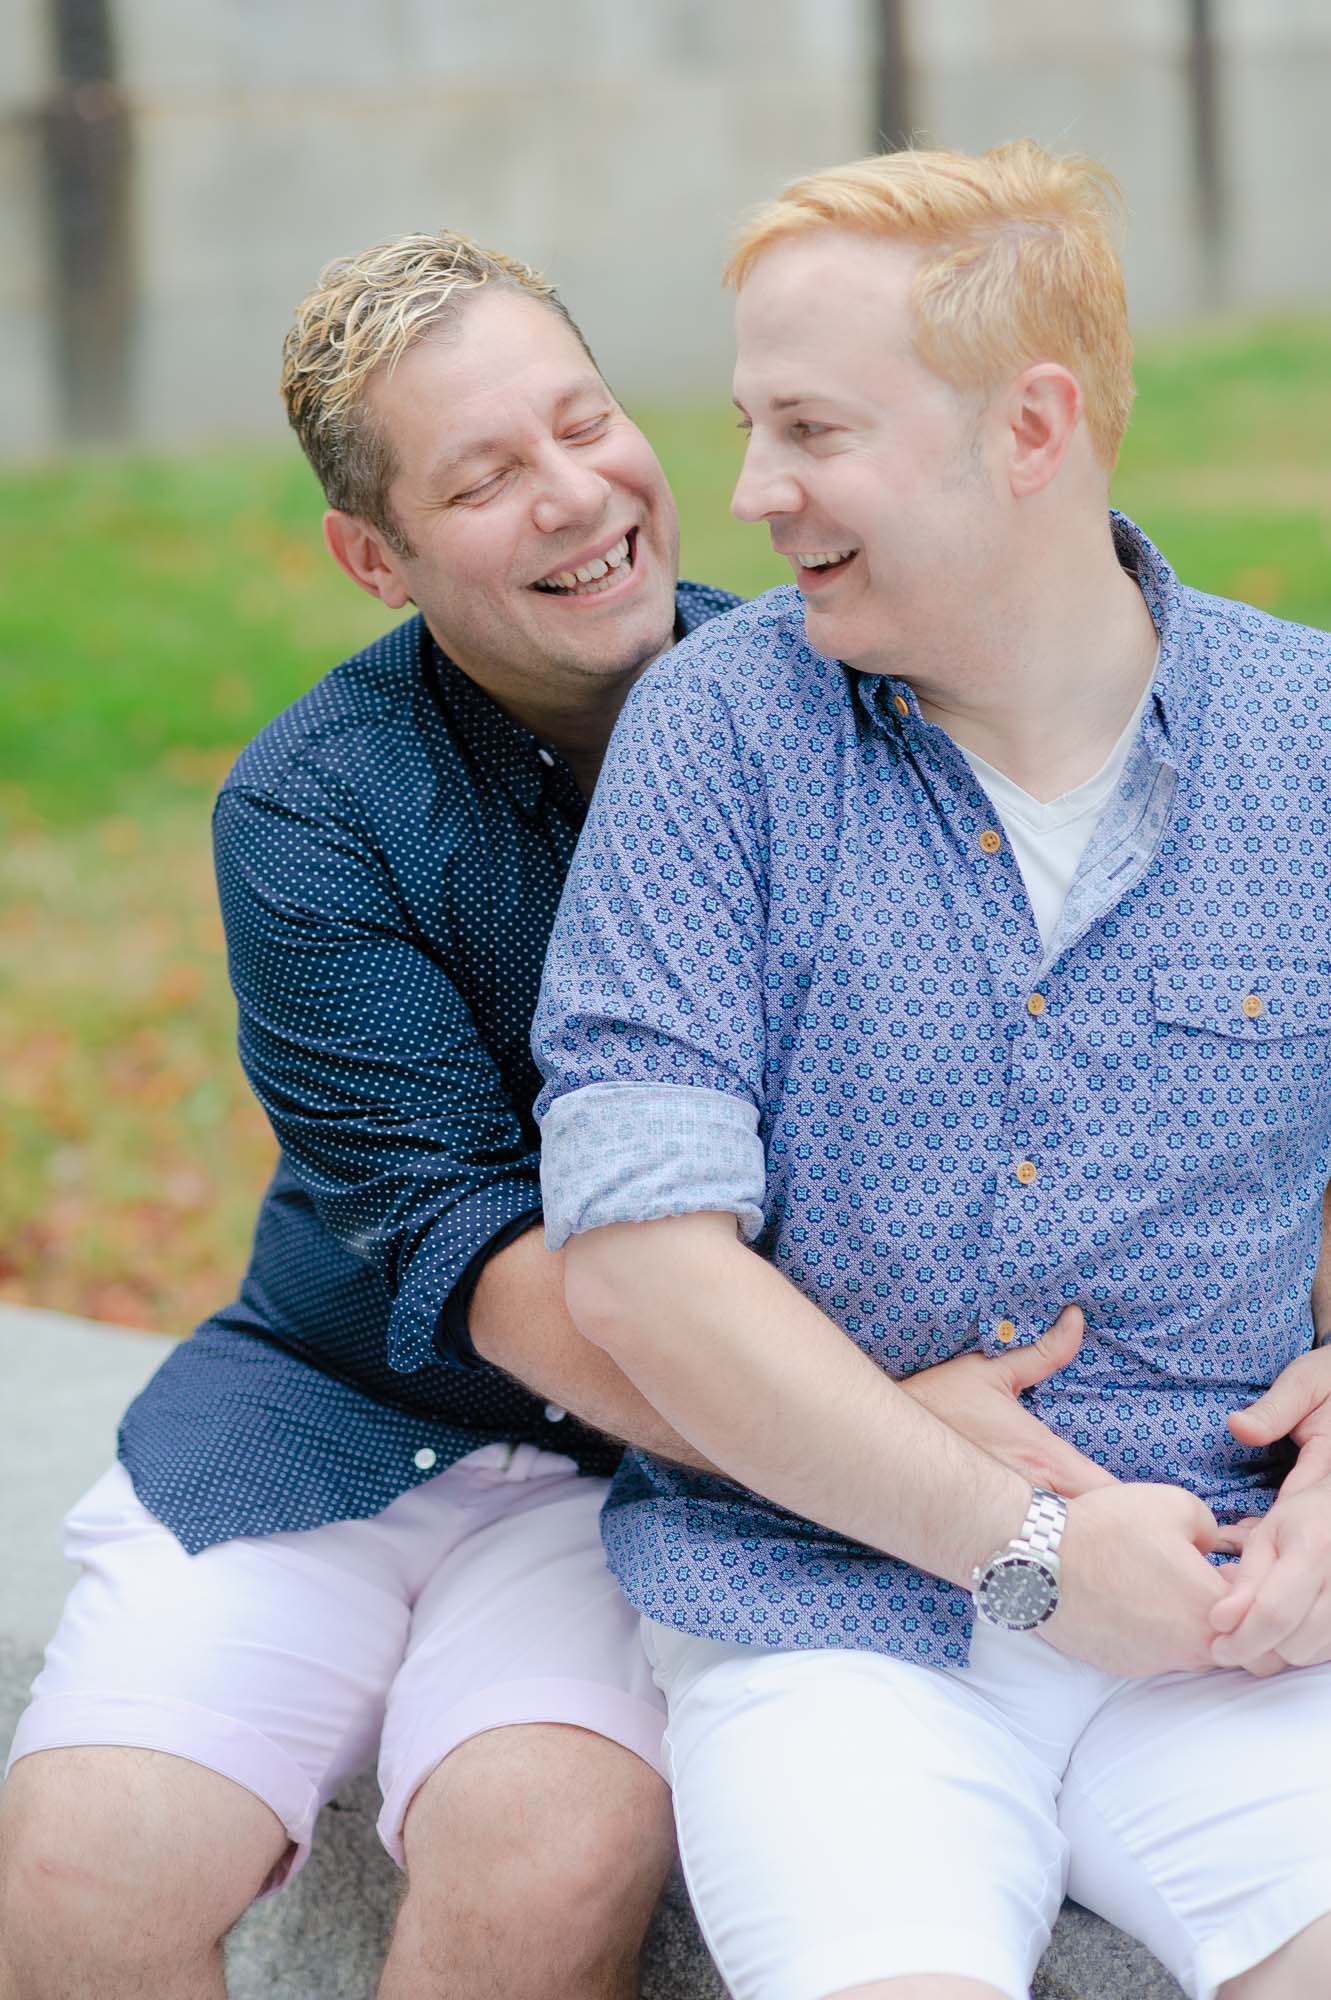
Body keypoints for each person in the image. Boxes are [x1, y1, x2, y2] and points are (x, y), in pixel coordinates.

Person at [0, 222, 1163, 2000]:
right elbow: (471, 1247)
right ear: (375, 558)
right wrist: (877, 1448)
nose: (573, 494)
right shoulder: (314, 812)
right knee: (84, 1868)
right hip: (346, 1410)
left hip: (650, 1473)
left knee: (546, 1856)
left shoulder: (850, 708)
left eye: (585, 421)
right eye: (482, 480)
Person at [533, 142, 1331, 2000]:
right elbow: (642, 1264)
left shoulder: (1313, 739)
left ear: (1030, 428)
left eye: (813, 429)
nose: (752, 491)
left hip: (1239, 1616)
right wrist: (1030, 1550)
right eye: (751, 425)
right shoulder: (716, 735)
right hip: (832, 1614)